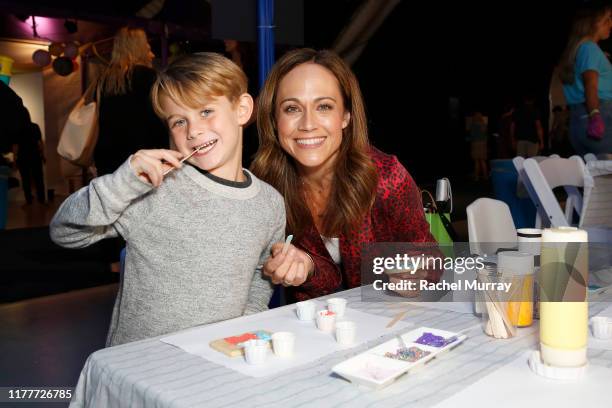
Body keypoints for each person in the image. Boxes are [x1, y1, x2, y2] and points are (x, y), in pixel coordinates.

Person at [50, 53, 285, 346]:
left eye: (206, 111)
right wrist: (122, 184)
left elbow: (260, 278)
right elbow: (64, 233)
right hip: (141, 363)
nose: (194, 130)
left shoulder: (270, 203)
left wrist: (238, 336)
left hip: (217, 361)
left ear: (242, 109)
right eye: (178, 121)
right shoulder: (153, 189)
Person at [250, 48, 438, 302]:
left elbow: (431, 257)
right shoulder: (265, 186)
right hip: (315, 328)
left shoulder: (385, 177)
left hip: (387, 317)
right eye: (292, 109)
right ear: (274, 120)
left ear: (346, 116)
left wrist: (416, 273)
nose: (307, 124)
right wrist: (307, 267)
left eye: (324, 107)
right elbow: (326, 280)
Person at [94, 27, 168, 176]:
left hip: (108, 156)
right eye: (147, 46)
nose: (152, 53)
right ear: (139, 48)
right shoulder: (149, 77)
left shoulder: (104, 80)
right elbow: (160, 120)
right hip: (144, 157)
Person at [559, 3, 612, 155]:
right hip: (600, 117)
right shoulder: (590, 48)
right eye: (607, 19)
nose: (611, 24)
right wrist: (595, 115)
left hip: (578, 121)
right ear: (593, 23)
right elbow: (590, 85)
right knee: (607, 175)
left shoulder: (580, 50)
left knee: (594, 176)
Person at [13, 121, 46, 205]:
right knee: (39, 178)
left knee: (25, 179)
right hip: (35, 155)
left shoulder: (17, 128)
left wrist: (15, 159)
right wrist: (43, 154)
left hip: (23, 157)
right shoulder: (35, 126)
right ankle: (41, 199)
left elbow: (15, 146)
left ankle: (28, 201)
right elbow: (40, 142)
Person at [466, 111, 489, 180]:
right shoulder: (484, 125)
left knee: (476, 161)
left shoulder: (473, 125)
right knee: (483, 161)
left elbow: (471, 136)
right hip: (483, 143)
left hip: (475, 143)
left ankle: (476, 177)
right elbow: (486, 136)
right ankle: (485, 176)